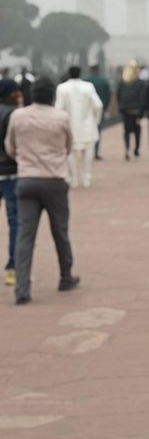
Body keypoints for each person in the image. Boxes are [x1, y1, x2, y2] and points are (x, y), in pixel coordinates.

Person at [4, 76, 80, 305]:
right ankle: (65, 276)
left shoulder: (18, 116)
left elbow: (10, 147)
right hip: (54, 180)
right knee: (60, 231)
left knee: (25, 235)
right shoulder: (61, 117)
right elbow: (68, 146)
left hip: (26, 179)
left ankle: (22, 288)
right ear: (52, 95)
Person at [55, 66, 103, 188]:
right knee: (88, 152)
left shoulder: (62, 88)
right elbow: (98, 105)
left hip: (69, 125)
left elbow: (58, 108)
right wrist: (95, 120)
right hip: (87, 125)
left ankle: (73, 178)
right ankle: (86, 177)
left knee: (69, 152)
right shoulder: (88, 87)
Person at [0, 80, 23, 286]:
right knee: (15, 221)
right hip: (9, 173)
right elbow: (16, 145)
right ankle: (13, 267)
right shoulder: (13, 115)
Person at [117, 61, 145, 160]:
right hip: (136, 111)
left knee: (127, 131)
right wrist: (142, 113)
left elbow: (119, 96)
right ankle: (136, 150)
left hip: (126, 111)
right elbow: (143, 98)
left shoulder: (122, 82)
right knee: (137, 132)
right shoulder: (140, 82)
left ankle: (127, 148)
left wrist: (121, 108)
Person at [84, 63, 112, 160]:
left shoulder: (85, 81)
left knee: (86, 130)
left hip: (87, 110)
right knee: (98, 131)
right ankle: (96, 151)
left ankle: (86, 151)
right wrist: (106, 106)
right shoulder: (104, 81)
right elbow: (108, 96)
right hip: (100, 109)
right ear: (98, 70)